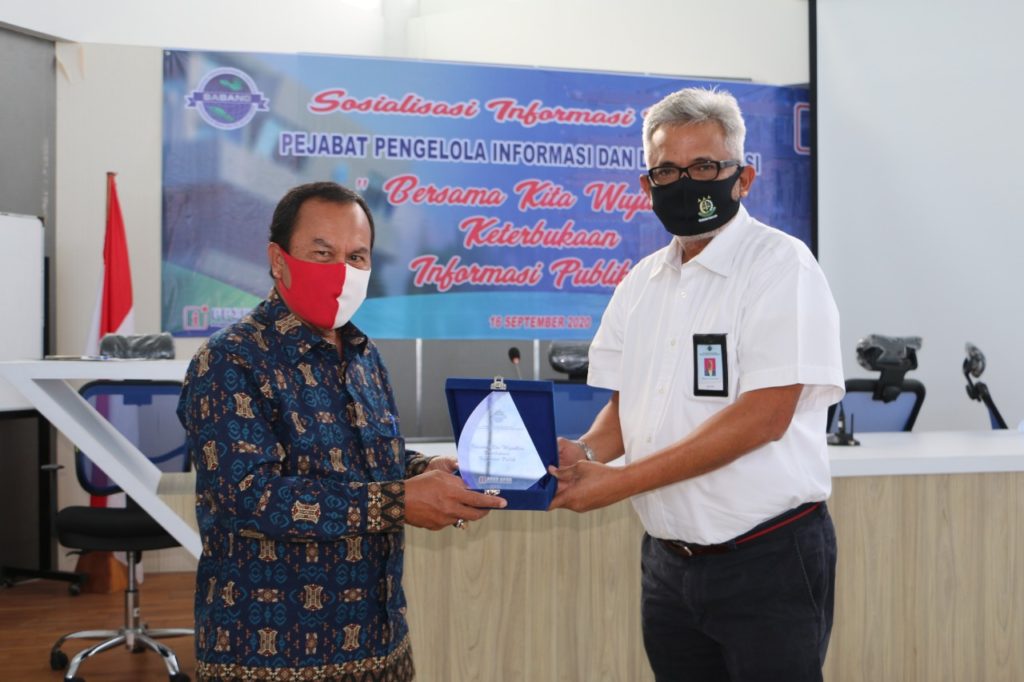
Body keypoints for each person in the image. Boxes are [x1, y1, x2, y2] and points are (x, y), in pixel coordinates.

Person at [548, 87, 844, 681]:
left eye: (704, 167)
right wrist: (583, 454)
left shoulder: (781, 267)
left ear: (743, 178)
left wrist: (622, 481)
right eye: (667, 171)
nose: (685, 183)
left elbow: (765, 417)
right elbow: (628, 409)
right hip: (668, 568)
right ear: (646, 185)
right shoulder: (641, 283)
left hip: (767, 563)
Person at [177, 181, 506, 681]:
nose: (341, 270)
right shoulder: (229, 361)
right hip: (269, 656)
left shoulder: (364, 355)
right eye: (322, 253)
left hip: (379, 647)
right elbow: (250, 498)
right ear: (279, 260)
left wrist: (427, 470)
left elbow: (367, 460)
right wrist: (399, 501)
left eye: (356, 257)